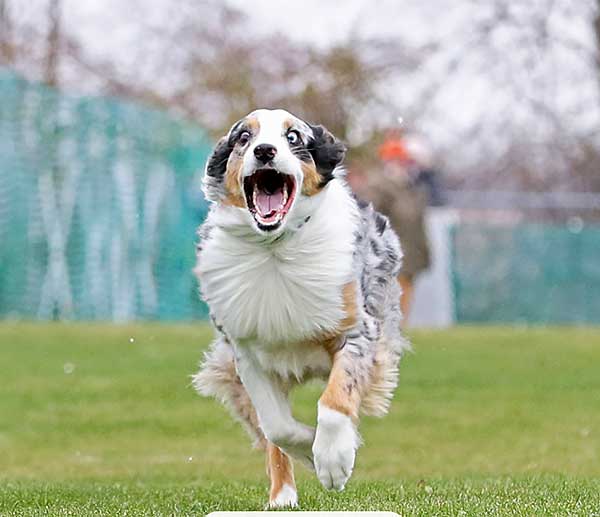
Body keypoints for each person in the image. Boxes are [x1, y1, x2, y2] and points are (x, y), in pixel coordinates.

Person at [365, 128, 433, 323]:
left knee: (404, 297)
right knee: (389, 301)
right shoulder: (379, 186)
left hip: (410, 253)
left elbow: (416, 223)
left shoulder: (410, 186)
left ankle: (396, 332)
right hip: (389, 256)